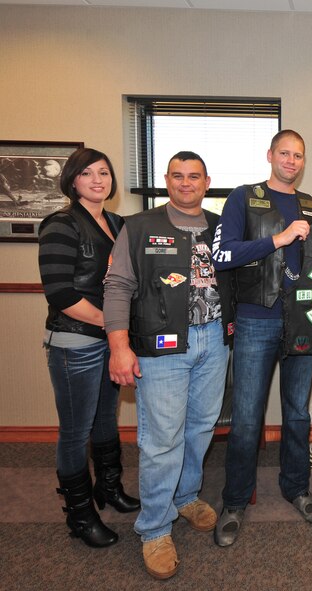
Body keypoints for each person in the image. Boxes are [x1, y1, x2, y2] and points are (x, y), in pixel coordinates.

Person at [104, 152, 234, 579]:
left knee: (199, 426)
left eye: (194, 176)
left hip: (213, 340)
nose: (185, 183)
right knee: (161, 438)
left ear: (207, 181)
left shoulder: (220, 227)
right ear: (165, 180)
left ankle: (186, 496)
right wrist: (119, 347)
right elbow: (119, 285)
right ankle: (155, 528)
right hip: (160, 348)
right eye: (177, 176)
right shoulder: (138, 227)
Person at [211, 130, 312, 547]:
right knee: (245, 419)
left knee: (297, 414)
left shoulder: (311, 206)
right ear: (270, 155)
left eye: (298, 155)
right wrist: (278, 238)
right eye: (285, 153)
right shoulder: (243, 197)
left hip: (302, 322)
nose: (291, 161)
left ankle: (297, 488)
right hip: (256, 320)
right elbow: (222, 255)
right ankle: (235, 501)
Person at [38, 147, 139, 549]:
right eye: (87, 174)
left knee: (104, 422)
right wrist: (115, 326)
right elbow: (61, 293)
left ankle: (108, 489)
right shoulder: (61, 225)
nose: (98, 180)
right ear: (72, 180)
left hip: (108, 341)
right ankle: (80, 515)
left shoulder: (117, 222)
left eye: (104, 173)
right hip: (74, 343)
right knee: (75, 431)